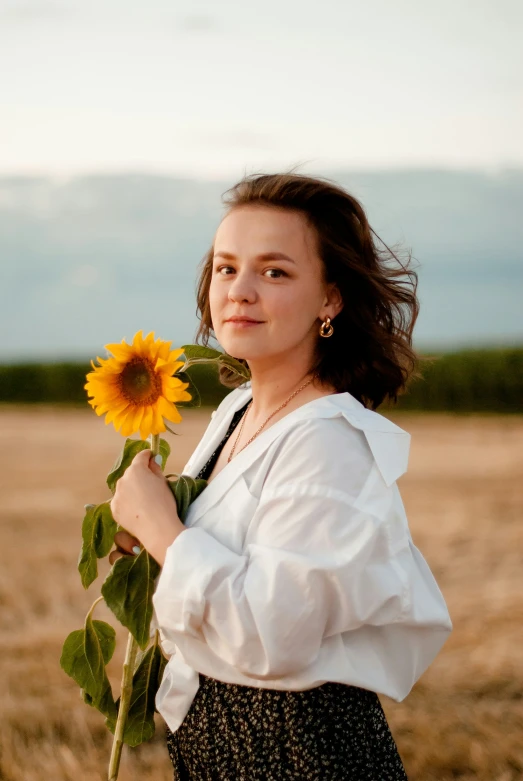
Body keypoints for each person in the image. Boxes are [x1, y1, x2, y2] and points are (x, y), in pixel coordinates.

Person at [109, 172, 453, 780]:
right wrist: (147, 528)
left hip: (297, 753)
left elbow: (271, 636)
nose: (239, 291)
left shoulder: (329, 443)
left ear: (330, 299)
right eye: (225, 267)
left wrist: (162, 529)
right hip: (224, 746)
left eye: (274, 272)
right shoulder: (239, 407)